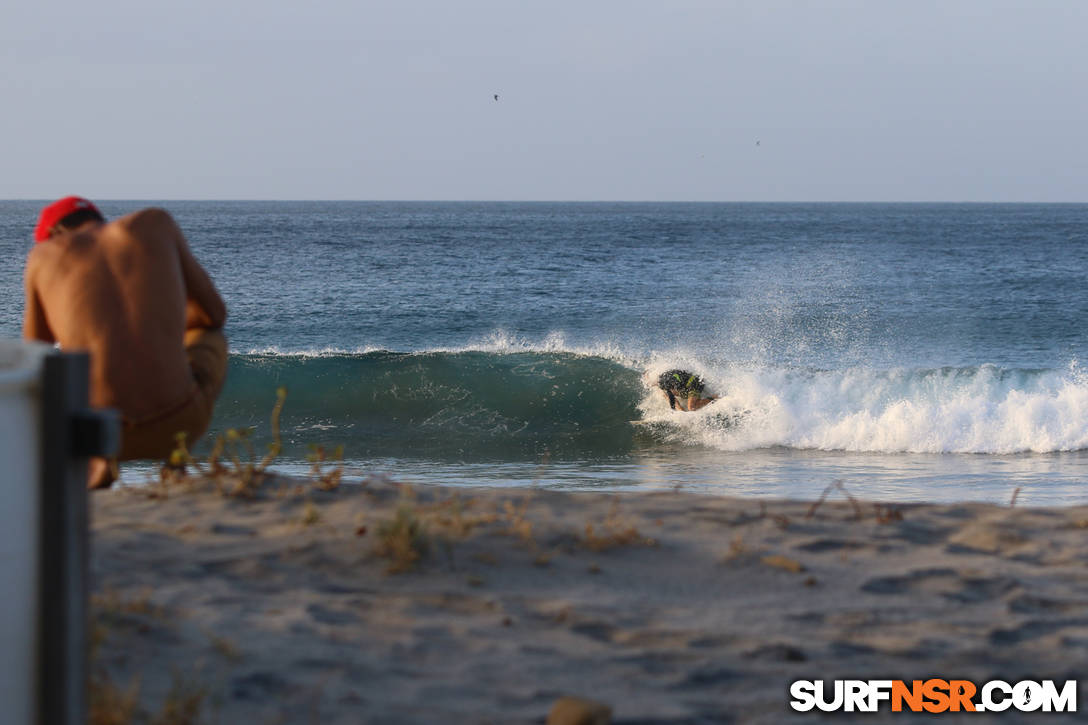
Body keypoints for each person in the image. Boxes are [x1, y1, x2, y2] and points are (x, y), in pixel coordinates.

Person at [23, 197, 228, 489]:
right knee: (210, 336)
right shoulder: (156, 223)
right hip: (178, 419)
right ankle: (176, 461)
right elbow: (214, 314)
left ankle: (101, 464)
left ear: (54, 234)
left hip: (98, 433)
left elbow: (34, 354)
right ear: (95, 217)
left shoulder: (44, 257)